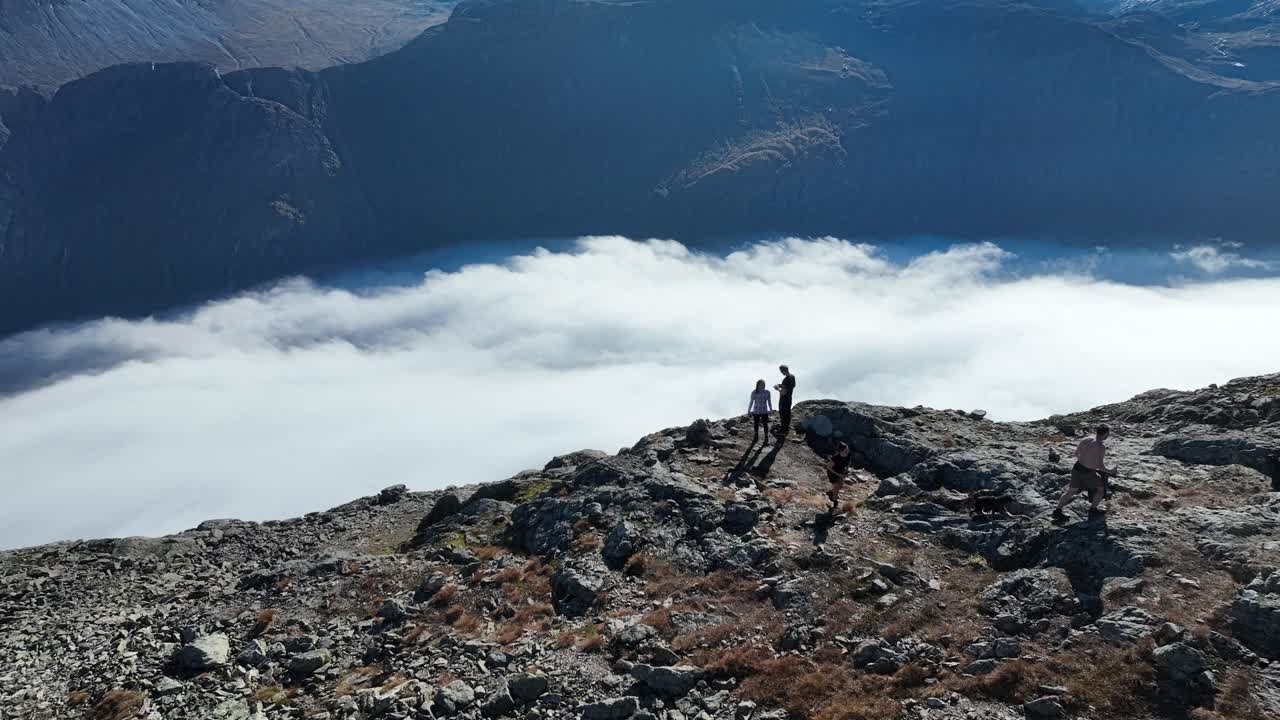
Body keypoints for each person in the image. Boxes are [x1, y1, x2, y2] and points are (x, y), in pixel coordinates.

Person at [1052, 424, 1115, 522]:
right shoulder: (1101, 447)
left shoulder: (1086, 439)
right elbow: (1100, 466)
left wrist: (1085, 461)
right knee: (1100, 488)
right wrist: (1111, 470)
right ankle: (1093, 509)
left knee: (1071, 491)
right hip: (1088, 473)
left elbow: (1076, 454)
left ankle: (1057, 510)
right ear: (1106, 433)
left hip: (1077, 468)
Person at [825, 442, 851, 511]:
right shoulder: (835, 458)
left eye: (847, 449)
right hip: (832, 473)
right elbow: (829, 467)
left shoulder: (848, 455)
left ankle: (831, 493)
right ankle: (835, 504)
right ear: (841, 451)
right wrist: (839, 475)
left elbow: (848, 462)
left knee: (840, 486)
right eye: (845, 450)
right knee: (836, 488)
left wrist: (846, 470)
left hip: (841, 471)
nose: (847, 451)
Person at [774, 365, 796, 439]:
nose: (781, 373)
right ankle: (786, 429)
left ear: (783, 371)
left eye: (781, 371)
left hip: (784, 399)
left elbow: (783, 392)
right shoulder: (792, 377)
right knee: (787, 413)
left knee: (783, 414)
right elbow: (788, 387)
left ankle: (782, 431)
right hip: (789, 399)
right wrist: (780, 385)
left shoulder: (786, 379)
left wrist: (777, 389)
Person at [748, 379, 772, 444]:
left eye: (764, 384)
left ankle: (766, 437)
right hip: (756, 411)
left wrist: (771, 409)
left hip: (764, 411)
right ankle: (756, 435)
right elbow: (751, 402)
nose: (763, 385)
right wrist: (749, 410)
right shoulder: (754, 392)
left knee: (765, 424)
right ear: (758, 385)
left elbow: (769, 401)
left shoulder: (767, 392)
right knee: (756, 424)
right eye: (762, 384)